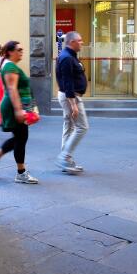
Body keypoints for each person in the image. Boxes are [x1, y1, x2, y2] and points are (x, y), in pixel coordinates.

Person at [0, 41, 39, 184]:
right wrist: (19, 110)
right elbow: (12, 89)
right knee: (21, 137)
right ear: (10, 52)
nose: (21, 52)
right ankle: (21, 173)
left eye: (22, 49)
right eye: (19, 50)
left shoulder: (10, 65)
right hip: (14, 106)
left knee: (19, 137)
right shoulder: (9, 66)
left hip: (17, 105)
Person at [55, 31, 88, 174]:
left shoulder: (70, 56)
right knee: (82, 127)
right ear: (71, 42)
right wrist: (73, 104)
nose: (82, 43)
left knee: (69, 127)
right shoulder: (67, 58)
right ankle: (64, 157)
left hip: (70, 96)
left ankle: (65, 160)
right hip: (71, 97)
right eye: (79, 40)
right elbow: (67, 82)